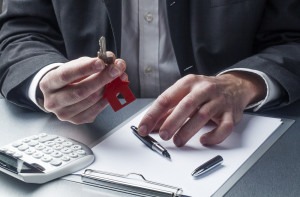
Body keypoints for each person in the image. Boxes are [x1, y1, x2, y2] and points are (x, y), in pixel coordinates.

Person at [0, 0, 299, 147]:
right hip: (81, 143)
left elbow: (292, 37)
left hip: (237, 142)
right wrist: (46, 80)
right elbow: (19, 30)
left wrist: (243, 83)